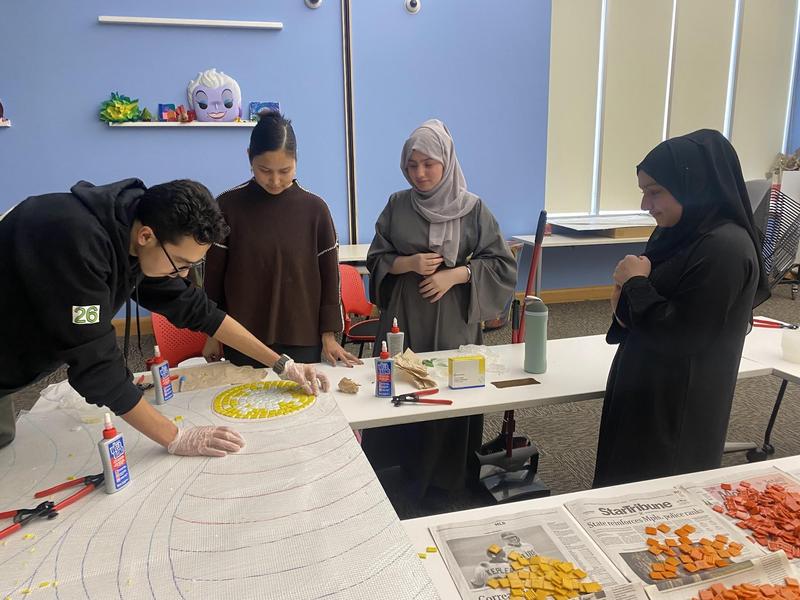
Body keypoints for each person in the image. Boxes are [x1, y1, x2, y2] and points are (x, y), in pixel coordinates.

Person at [0, 178, 330, 455]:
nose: (183, 275)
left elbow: (197, 309)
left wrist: (281, 364)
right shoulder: (75, 243)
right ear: (146, 236)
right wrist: (175, 437)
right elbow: (95, 364)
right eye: (181, 264)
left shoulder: (138, 231)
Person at [593, 129, 771, 487]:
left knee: (659, 491)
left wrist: (635, 284)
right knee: (622, 479)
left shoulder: (724, 248)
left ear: (694, 186)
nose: (645, 205)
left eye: (655, 191)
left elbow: (683, 336)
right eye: (644, 192)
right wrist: (623, 304)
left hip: (678, 404)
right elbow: (648, 310)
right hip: (645, 385)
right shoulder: (676, 233)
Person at [362, 119, 517, 498]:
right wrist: (408, 263)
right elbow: (377, 258)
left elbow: (501, 264)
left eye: (428, 164)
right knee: (403, 388)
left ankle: (446, 480)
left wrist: (457, 274)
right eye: (412, 165)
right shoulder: (398, 205)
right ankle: (400, 478)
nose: (420, 173)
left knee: (451, 389)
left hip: (453, 318)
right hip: (405, 317)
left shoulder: (473, 209)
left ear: (446, 161)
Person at [203, 112, 361, 367]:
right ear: (249, 157)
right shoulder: (227, 206)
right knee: (245, 393)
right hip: (242, 336)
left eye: (285, 171)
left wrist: (329, 335)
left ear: (296, 160)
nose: (275, 181)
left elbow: (330, 278)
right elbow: (213, 279)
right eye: (264, 170)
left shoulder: (315, 210)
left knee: (301, 392)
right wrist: (212, 334)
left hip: (301, 334)